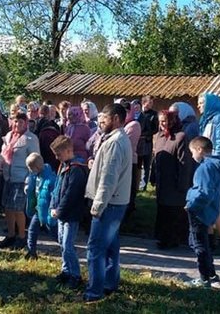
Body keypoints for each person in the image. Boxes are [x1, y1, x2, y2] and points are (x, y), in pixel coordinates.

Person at [83, 103, 133, 302]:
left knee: (95, 249)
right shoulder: (117, 139)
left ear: (117, 119)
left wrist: (98, 205)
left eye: (105, 118)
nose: (101, 121)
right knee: (111, 247)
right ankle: (109, 283)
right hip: (116, 202)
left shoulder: (114, 142)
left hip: (109, 204)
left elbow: (109, 178)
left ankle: (94, 292)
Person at [184, 136, 220, 288]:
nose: (192, 156)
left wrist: (191, 205)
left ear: (200, 150)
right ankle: (211, 274)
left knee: (198, 244)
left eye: (192, 152)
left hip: (199, 210)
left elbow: (204, 192)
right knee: (202, 243)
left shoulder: (204, 168)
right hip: (211, 209)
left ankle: (204, 278)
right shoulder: (217, 165)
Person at [0, 112, 40, 249]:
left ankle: (21, 236)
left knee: (17, 209)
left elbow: (35, 158)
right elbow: (3, 154)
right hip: (8, 176)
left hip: (22, 178)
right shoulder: (9, 136)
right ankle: (11, 235)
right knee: (8, 208)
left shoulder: (30, 138)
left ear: (26, 123)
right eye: (15, 122)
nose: (17, 124)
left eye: (21, 122)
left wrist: (30, 178)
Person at [49, 135, 88, 289]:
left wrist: (59, 210)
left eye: (58, 154)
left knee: (68, 245)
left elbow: (70, 194)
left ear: (67, 151)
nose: (57, 158)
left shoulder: (76, 170)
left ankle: (76, 275)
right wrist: (53, 205)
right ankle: (66, 271)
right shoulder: (63, 166)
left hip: (71, 214)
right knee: (62, 243)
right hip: (60, 213)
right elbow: (57, 188)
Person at [150, 110, 193, 249]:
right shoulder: (157, 136)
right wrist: (153, 175)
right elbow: (155, 158)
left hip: (174, 181)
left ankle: (173, 240)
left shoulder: (180, 137)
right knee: (162, 210)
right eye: (160, 121)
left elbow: (184, 163)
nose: (162, 124)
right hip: (162, 180)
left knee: (173, 211)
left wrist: (182, 184)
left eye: (165, 121)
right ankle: (162, 238)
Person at [197, 92, 220, 255]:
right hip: (205, 164)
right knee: (206, 203)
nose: (198, 106)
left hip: (214, 167)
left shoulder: (219, 119)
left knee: (214, 204)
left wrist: (212, 165)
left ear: (211, 103)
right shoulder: (207, 119)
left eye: (201, 103)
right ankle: (210, 240)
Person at [24, 152, 57, 260]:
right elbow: (31, 189)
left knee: (54, 232)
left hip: (48, 211)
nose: (30, 171)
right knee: (32, 230)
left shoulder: (51, 179)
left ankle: (67, 248)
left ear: (37, 167)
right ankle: (31, 251)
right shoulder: (34, 176)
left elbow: (54, 195)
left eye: (31, 168)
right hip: (38, 209)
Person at [137, 95, 159, 191]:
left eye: (152, 103)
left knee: (146, 164)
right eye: (149, 102)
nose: (151, 104)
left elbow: (155, 129)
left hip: (147, 141)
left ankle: (144, 185)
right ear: (144, 103)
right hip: (137, 142)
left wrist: (146, 134)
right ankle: (136, 183)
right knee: (137, 164)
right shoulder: (138, 113)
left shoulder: (154, 114)